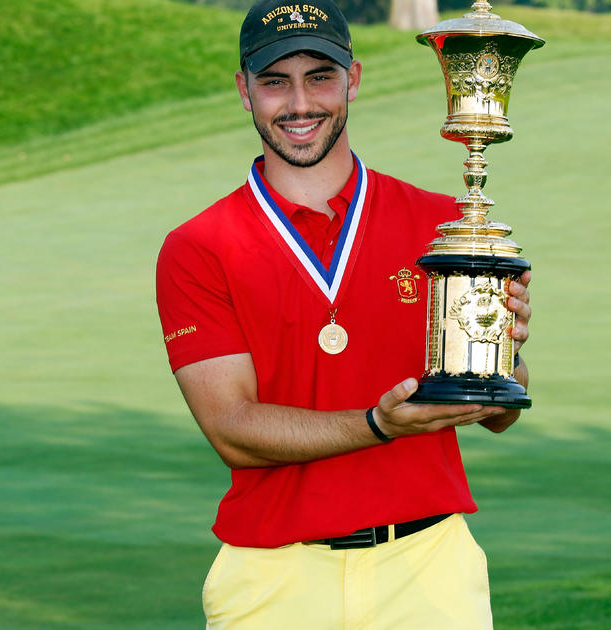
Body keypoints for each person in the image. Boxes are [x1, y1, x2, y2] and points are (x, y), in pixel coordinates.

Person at [155, 1, 531, 627]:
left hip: (429, 566)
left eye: (319, 76)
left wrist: (500, 350)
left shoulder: (443, 224)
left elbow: (499, 418)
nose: (299, 103)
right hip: (275, 578)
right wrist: (378, 424)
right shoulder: (200, 246)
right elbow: (232, 430)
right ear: (244, 91)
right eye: (275, 81)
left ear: (353, 79)